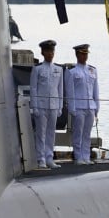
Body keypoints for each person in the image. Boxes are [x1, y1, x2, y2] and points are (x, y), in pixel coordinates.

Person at [29, 40, 63, 169]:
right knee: (41, 133)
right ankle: (41, 159)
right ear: (43, 52)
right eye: (48, 51)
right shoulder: (37, 69)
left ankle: (49, 158)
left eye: (52, 51)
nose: (50, 54)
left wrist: (60, 106)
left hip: (53, 105)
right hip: (41, 106)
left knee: (51, 133)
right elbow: (33, 88)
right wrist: (34, 106)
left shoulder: (58, 69)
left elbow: (60, 90)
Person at [64, 44, 99, 165]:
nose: (84, 56)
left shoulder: (92, 70)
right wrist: (72, 108)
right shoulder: (71, 72)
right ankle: (78, 157)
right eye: (82, 54)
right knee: (77, 133)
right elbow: (70, 92)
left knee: (87, 134)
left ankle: (86, 156)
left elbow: (95, 91)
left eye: (86, 54)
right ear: (77, 55)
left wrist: (97, 107)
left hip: (90, 106)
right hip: (78, 107)